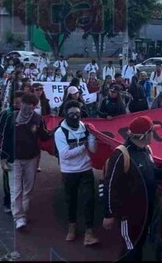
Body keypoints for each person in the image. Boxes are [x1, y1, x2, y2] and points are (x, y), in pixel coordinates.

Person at [101, 116, 162, 261]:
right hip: (129, 214)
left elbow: (151, 173)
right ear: (144, 135)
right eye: (152, 131)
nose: (155, 134)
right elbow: (110, 185)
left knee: (139, 245)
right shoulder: (121, 154)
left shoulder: (147, 150)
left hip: (147, 210)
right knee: (130, 249)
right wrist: (108, 214)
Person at [0, 92, 49, 229]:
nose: (28, 107)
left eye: (31, 105)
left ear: (34, 106)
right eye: (25, 103)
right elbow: (5, 139)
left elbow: (45, 136)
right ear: (21, 104)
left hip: (31, 158)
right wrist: (3, 158)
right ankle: (18, 217)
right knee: (16, 189)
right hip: (14, 159)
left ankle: (24, 213)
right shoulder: (12, 117)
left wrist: (57, 130)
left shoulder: (38, 119)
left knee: (28, 188)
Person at [55, 100, 99, 246]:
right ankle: (72, 227)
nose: (75, 117)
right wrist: (83, 146)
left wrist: (92, 138)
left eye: (78, 114)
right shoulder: (60, 132)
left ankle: (89, 231)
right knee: (70, 200)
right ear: (66, 115)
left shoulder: (85, 129)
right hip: (69, 171)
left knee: (89, 200)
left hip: (85, 169)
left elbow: (93, 150)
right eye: (71, 114)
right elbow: (65, 154)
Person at [0, 91, 22, 213]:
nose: (19, 103)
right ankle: (7, 201)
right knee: (8, 178)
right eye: (17, 101)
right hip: (8, 152)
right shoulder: (5, 114)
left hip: (23, 153)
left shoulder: (27, 114)